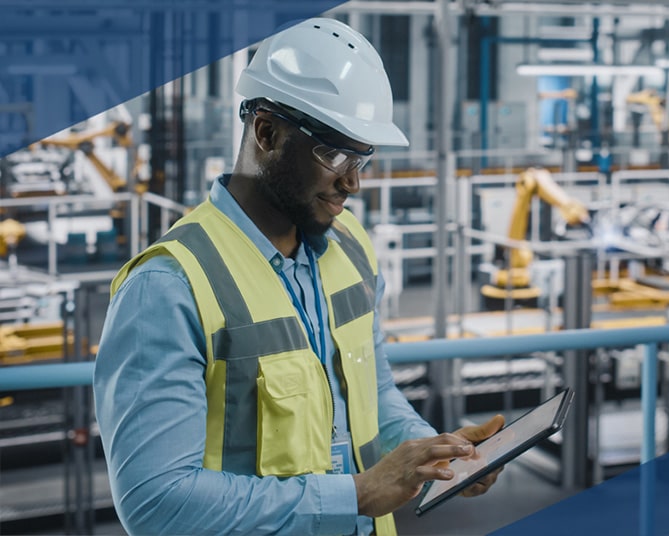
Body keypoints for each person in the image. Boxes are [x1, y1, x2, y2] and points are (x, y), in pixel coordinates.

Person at [93, 17, 504, 536]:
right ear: (266, 132)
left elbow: (372, 396)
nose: (352, 182)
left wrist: (433, 455)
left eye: (363, 159)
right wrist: (357, 494)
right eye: (336, 154)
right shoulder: (168, 287)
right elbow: (156, 504)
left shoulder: (351, 247)